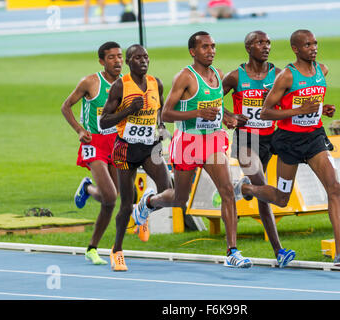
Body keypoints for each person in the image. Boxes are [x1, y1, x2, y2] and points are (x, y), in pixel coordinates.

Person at [131, 31, 253, 269]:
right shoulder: (185, 77)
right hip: (188, 142)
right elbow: (165, 113)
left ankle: (232, 252)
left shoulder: (218, 74)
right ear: (193, 51)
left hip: (214, 141)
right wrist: (197, 113)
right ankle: (149, 202)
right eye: (205, 47)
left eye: (213, 46)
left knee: (227, 191)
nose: (211, 51)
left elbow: (216, 106)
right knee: (179, 199)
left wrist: (228, 117)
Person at [260, 29, 340, 266]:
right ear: (295, 49)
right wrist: (299, 111)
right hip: (289, 142)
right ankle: (247, 189)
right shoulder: (286, 76)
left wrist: (322, 109)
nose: (313, 47)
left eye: (315, 43)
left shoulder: (322, 70)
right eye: (307, 45)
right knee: (282, 198)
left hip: (314, 138)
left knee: (334, 187)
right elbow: (266, 112)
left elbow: (311, 103)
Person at [222, 30, 296, 268]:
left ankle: (278, 252)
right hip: (247, 140)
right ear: (248, 47)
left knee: (263, 195)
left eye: (268, 42)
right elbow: (212, 101)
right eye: (259, 42)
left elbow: (294, 99)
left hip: (272, 138)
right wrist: (231, 116)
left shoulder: (278, 75)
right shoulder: (235, 77)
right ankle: (244, 187)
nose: (266, 46)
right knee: (262, 185)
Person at [100, 44, 172, 271]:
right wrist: (127, 111)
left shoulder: (155, 83)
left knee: (170, 191)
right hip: (126, 149)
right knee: (125, 205)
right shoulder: (121, 86)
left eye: (146, 57)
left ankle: (146, 205)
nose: (143, 61)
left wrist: (161, 127)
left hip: (150, 147)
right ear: (129, 62)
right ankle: (117, 251)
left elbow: (159, 111)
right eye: (138, 58)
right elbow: (104, 121)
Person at [61, 41, 122, 265]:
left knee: (112, 200)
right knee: (110, 196)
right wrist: (79, 130)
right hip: (93, 143)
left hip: (116, 143)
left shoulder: (127, 83)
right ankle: (92, 248)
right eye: (112, 57)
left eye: (120, 56)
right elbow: (65, 106)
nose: (118, 61)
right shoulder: (91, 82)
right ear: (102, 61)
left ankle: (87, 187)